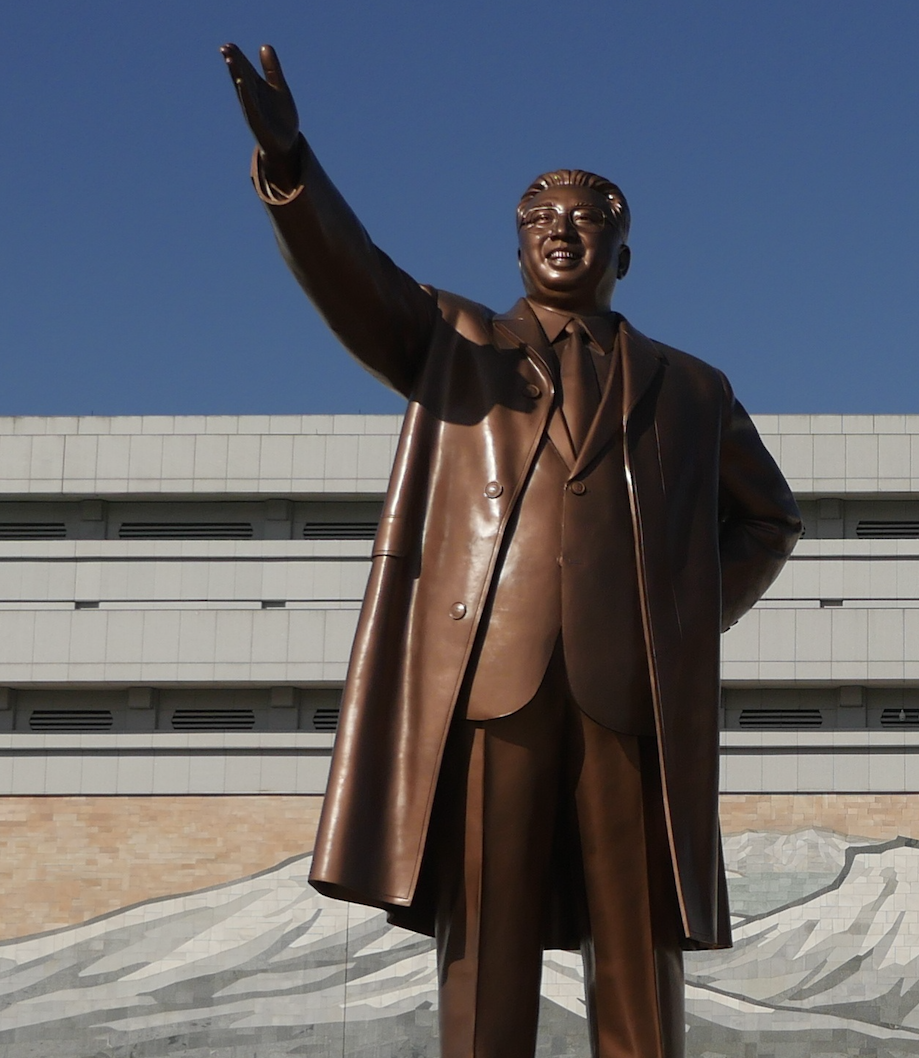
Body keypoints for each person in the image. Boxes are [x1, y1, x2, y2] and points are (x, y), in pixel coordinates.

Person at [220, 43, 800, 1058]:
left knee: (638, 947)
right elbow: (354, 279)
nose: (561, 231)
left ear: (625, 249)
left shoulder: (693, 388)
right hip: (495, 681)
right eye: (539, 218)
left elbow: (768, 519)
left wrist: (680, 615)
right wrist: (291, 165)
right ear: (516, 241)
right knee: (483, 941)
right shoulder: (459, 342)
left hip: (627, 697)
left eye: (586, 219)